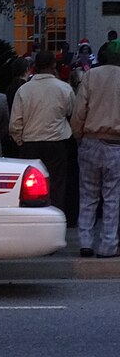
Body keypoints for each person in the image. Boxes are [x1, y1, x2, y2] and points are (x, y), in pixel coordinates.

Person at [69, 40, 120, 258]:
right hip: (116, 143)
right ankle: (108, 244)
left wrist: (78, 134)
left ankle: (85, 241)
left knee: (88, 195)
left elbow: (80, 110)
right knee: (112, 197)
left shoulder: (90, 76)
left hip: (90, 140)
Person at [9, 51, 75, 211]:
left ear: (35, 66)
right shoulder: (64, 89)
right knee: (57, 186)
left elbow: (15, 123)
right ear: (53, 65)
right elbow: (73, 113)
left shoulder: (24, 90)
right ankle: (56, 217)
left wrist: (20, 141)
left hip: (30, 143)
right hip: (56, 142)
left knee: (30, 188)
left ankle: (34, 218)